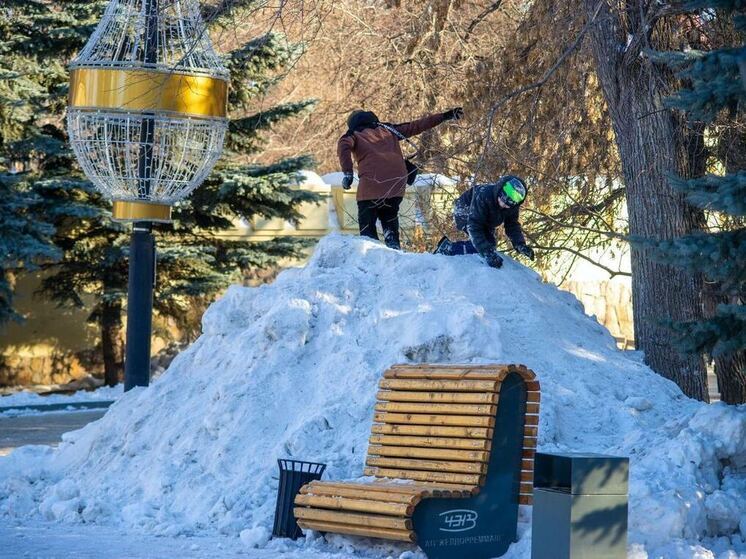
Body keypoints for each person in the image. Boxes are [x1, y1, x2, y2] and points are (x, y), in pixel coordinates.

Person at [337, 108, 463, 249]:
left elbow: (343, 146)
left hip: (372, 185)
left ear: (352, 123)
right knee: (389, 217)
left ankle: (370, 251)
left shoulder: (353, 134)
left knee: (367, 226)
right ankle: (393, 245)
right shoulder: (388, 129)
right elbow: (417, 125)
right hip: (396, 184)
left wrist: (348, 173)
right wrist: (445, 116)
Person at [434, 175, 535, 268]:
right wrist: (486, 252)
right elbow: (474, 226)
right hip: (465, 211)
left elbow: (512, 226)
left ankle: (464, 249)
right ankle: (447, 248)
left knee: (491, 245)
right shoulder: (484, 195)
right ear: (500, 191)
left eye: (507, 205)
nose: (503, 205)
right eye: (501, 200)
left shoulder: (512, 207)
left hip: (486, 218)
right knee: (484, 246)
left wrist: (520, 244)